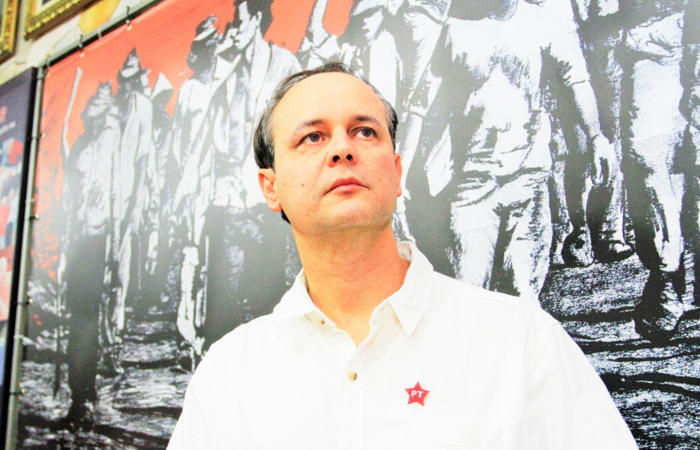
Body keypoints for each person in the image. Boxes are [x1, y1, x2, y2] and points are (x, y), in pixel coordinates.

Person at [168, 63, 636, 448]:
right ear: (270, 187)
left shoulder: (521, 343)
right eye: (312, 137)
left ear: (395, 172)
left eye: (364, 131)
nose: (342, 149)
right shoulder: (229, 374)